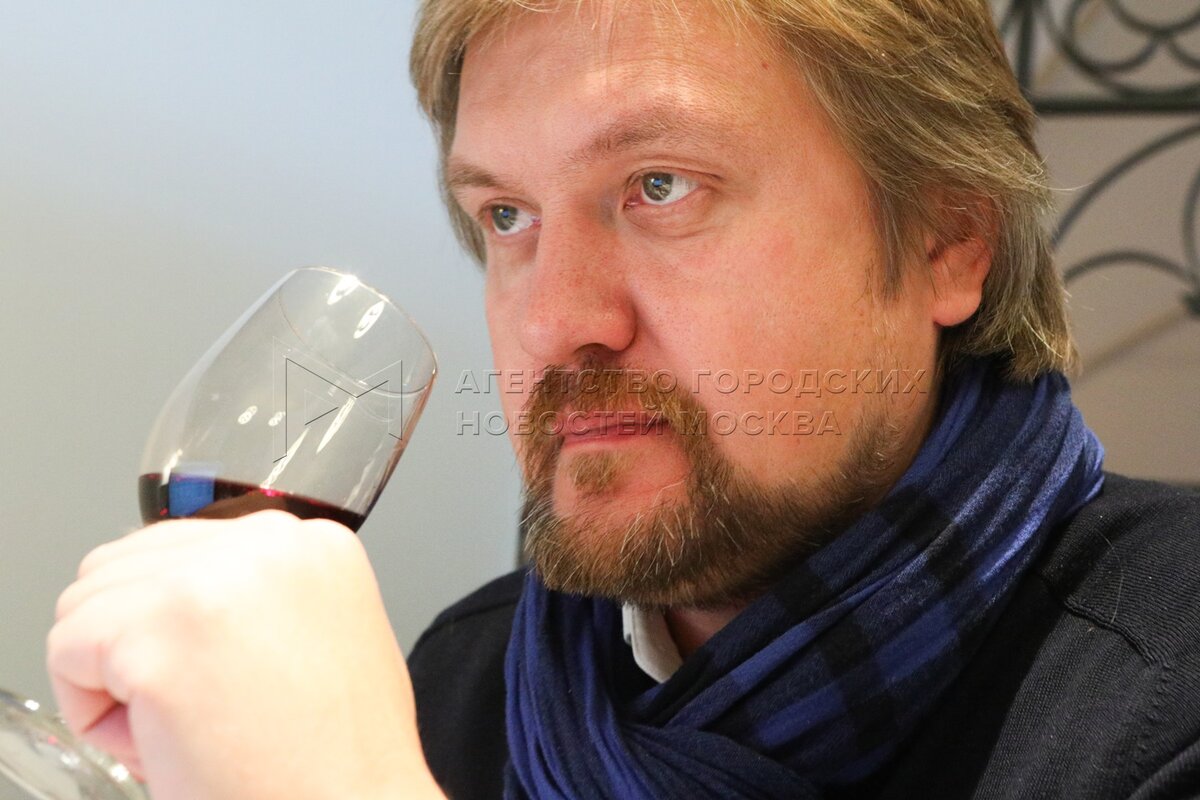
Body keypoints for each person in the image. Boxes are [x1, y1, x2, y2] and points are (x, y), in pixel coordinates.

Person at [47, 0, 1199, 798]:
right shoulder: (468, 679)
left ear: (949, 240)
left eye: (661, 185)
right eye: (506, 215)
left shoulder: (1164, 699)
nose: (556, 318)